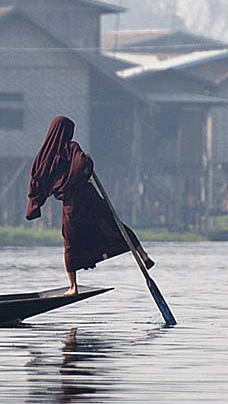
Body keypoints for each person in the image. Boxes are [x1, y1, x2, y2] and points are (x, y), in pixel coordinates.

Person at [26, 116, 154, 295]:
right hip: (89, 198)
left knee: (71, 243)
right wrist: (88, 161)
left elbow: (37, 180)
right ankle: (143, 255)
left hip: (72, 206)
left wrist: (36, 204)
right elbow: (83, 164)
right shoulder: (71, 147)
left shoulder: (44, 156)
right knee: (114, 224)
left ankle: (73, 287)